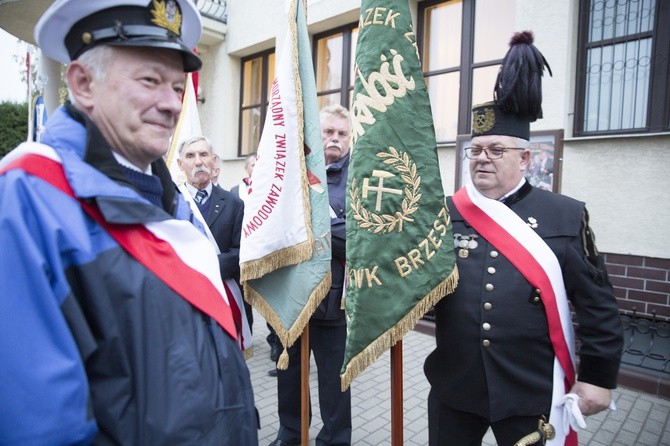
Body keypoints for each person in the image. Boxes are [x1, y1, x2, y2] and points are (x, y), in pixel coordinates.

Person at [0, 1, 257, 444]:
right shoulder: (27, 198)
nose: (171, 104)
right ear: (82, 84)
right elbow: (42, 423)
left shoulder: (168, 198)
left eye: (178, 87)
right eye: (150, 81)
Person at [424, 32, 623, 446]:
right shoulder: (444, 210)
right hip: (454, 387)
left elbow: (598, 305)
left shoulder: (565, 215)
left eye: (497, 150)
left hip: (531, 390)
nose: (482, 158)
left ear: (525, 158)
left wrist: (598, 379)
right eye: (476, 150)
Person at [270, 104, 352, 446]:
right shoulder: (293, 173)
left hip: (333, 303)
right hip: (290, 296)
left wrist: (311, 223)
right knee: (289, 377)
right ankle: (291, 433)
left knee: (335, 384)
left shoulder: (360, 178)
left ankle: (334, 440)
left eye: (341, 133)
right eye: (327, 132)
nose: (334, 138)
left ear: (350, 139)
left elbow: (357, 237)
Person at [177, 135, 253, 341]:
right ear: (180, 164)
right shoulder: (171, 202)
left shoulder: (234, 203)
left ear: (214, 160)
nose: (198, 161)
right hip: (184, 300)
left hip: (224, 298)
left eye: (204, 154)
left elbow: (241, 251)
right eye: (190, 156)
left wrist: (206, 267)